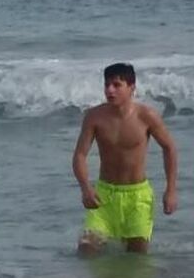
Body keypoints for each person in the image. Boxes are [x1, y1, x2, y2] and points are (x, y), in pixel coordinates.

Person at [72, 63, 177, 256]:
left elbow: (169, 148)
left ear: (132, 87)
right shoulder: (94, 117)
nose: (110, 90)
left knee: (136, 258)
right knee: (86, 250)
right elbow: (80, 155)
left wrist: (170, 190)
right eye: (107, 85)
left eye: (116, 85)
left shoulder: (147, 116)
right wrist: (85, 188)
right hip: (104, 196)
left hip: (137, 197)